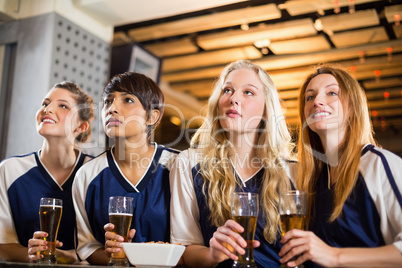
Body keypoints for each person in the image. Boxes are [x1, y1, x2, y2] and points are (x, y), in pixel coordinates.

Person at [170, 60, 297, 267]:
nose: (233, 98)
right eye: (227, 90)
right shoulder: (188, 163)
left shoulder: (294, 170)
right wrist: (213, 254)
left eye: (248, 92)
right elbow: (184, 251)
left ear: (267, 108)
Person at [279, 65, 402, 267]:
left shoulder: (378, 164)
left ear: (353, 107)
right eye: (309, 97)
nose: (317, 101)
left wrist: (334, 256)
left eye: (331, 93)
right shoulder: (310, 179)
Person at [72, 71, 179, 265]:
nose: (112, 108)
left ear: (152, 116)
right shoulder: (86, 175)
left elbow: (192, 243)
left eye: (128, 100)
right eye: (107, 101)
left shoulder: (178, 167)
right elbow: (87, 248)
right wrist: (113, 254)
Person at [0, 82, 94, 263]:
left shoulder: (96, 173)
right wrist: (31, 254)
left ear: (81, 126)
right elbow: (3, 244)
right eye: (45, 103)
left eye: (63, 106)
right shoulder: (9, 170)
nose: (48, 109)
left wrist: (69, 256)